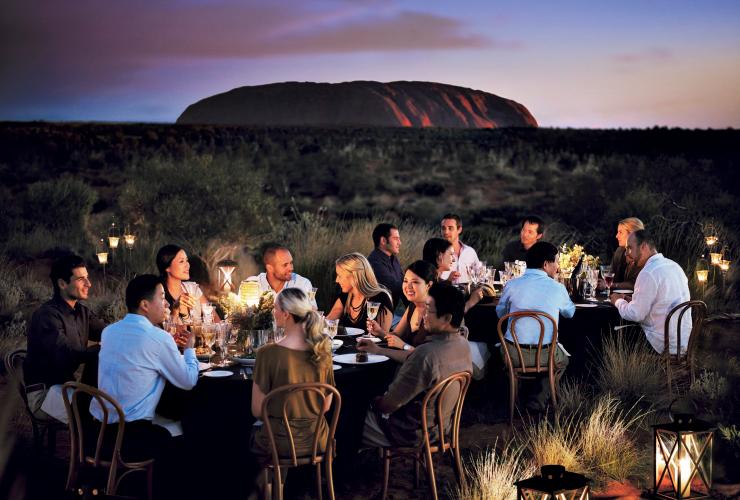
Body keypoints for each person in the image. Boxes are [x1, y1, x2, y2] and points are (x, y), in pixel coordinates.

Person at [91, 274, 198, 462]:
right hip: (132, 438)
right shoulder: (157, 337)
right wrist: (189, 350)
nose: (166, 304)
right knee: (192, 427)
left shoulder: (109, 331)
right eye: (162, 297)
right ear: (145, 305)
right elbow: (188, 381)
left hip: (98, 432)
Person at [361, 283, 472, 448]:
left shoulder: (426, 355)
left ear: (447, 318)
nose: (424, 315)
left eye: (429, 310)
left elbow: (388, 405)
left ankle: (339, 470)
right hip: (441, 427)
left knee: (349, 417)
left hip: (410, 432)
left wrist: (371, 401)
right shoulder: (463, 345)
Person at [250, 288, 334, 459]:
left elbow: (258, 410)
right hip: (317, 439)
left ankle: (270, 483)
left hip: (279, 442)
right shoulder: (323, 350)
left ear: (286, 314)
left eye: (275, 308)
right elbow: (326, 406)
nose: (273, 313)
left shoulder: (267, 353)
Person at [24, 254, 105, 423]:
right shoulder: (46, 316)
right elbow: (68, 354)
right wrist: (101, 349)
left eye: (87, 278)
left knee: (110, 404)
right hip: (44, 395)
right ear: (62, 283)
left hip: (67, 388)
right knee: (99, 412)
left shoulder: (82, 312)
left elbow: (108, 332)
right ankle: (89, 448)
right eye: (81, 279)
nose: (88, 284)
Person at [496, 241, 575, 411]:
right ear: (546, 264)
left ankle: (514, 399)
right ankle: (539, 398)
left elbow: (500, 314)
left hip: (514, 355)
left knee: (501, 356)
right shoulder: (557, 288)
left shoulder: (511, 285)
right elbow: (570, 313)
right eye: (556, 262)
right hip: (547, 355)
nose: (558, 267)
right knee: (563, 361)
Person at [610, 230, 691, 355]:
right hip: (682, 341)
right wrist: (632, 301)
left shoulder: (648, 272)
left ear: (643, 247)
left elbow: (636, 315)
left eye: (630, 248)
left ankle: (606, 372)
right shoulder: (674, 266)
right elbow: (661, 303)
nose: (626, 253)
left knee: (611, 330)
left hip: (660, 344)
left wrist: (618, 301)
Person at [362, 260, 437, 362]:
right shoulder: (412, 306)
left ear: (429, 285)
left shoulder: (435, 313)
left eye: (415, 282)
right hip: (407, 365)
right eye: (405, 281)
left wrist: (403, 345)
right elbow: (396, 335)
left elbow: (430, 358)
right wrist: (380, 332)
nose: (408, 287)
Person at [326, 253, 393, 333]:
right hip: (348, 345)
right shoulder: (345, 296)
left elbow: (384, 337)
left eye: (340, 275)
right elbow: (329, 321)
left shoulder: (381, 297)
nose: (336, 280)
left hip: (373, 345)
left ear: (354, 276)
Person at [422, 238, 484, 311]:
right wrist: (471, 302)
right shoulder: (432, 286)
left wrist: (447, 281)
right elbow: (449, 316)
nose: (454, 259)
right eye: (451, 254)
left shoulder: (426, 279)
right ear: (440, 256)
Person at [156, 244, 214, 322]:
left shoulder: (192, 289)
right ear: (167, 267)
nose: (187, 265)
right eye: (181, 261)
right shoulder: (160, 296)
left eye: (187, 260)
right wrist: (175, 310)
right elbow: (166, 331)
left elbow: (216, 320)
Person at [367, 223, 404, 308]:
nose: (400, 242)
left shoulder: (393, 258)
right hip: (376, 315)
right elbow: (396, 287)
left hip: (389, 313)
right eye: (395, 239)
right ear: (383, 240)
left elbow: (402, 282)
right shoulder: (374, 262)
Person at [440, 213, 480, 283]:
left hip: (467, 293)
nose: (446, 232)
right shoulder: (436, 252)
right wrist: (448, 281)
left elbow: (479, 276)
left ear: (459, 230)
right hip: (444, 293)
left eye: (450, 228)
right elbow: (429, 282)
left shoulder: (470, 252)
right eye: (443, 228)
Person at [607, 217, 645, 290]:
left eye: (620, 232)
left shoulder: (643, 256)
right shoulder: (619, 251)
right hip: (617, 297)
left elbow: (636, 284)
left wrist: (611, 285)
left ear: (632, 234)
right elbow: (611, 275)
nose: (616, 236)